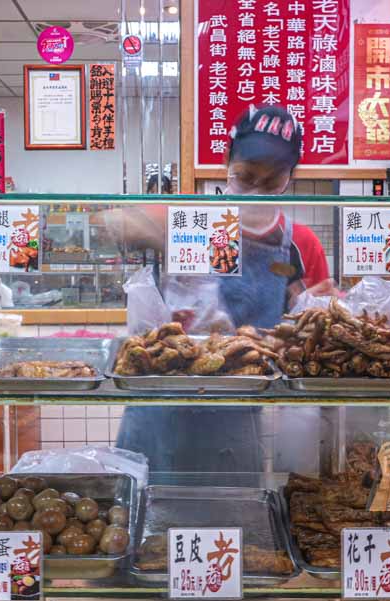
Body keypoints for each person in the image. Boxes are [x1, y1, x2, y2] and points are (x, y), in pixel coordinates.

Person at [116, 106, 335, 473]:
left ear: (291, 177)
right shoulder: (191, 218)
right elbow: (116, 222)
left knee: (230, 522)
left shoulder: (301, 243)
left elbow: (317, 335)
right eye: (246, 176)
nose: (256, 191)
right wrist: (155, 230)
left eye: (272, 182)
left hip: (236, 417)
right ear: (225, 163)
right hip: (159, 405)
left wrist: (315, 318)